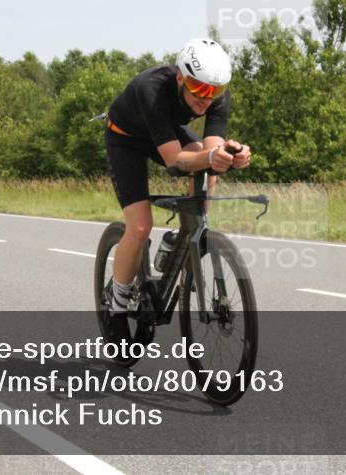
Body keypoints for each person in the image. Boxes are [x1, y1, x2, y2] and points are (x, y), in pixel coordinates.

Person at [103, 39, 251, 338]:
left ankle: (191, 231)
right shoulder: (152, 88)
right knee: (141, 226)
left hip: (167, 130)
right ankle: (117, 304)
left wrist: (229, 156)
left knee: (208, 166)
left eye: (215, 90)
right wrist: (209, 157)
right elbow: (174, 160)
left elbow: (210, 148)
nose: (207, 98)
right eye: (199, 88)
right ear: (181, 77)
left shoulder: (215, 93)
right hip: (127, 138)